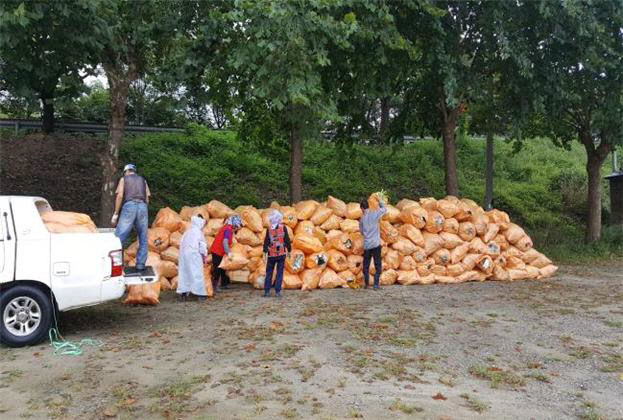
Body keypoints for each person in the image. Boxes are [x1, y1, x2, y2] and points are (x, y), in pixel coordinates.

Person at [112, 163, 151, 273]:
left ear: (126, 171)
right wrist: (143, 210)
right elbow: (147, 197)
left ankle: (117, 264)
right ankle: (140, 265)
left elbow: (119, 195)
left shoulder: (124, 179)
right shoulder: (143, 180)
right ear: (134, 171)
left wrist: (115, 213)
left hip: (130, 205)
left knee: (119, 237)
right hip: (143, 206)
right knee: (143, 237)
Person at [177, 215, 208, 301]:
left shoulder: (187, 232)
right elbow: (202, 246)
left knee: (184, 273)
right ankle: (200, 294)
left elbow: (181, 243)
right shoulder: (198, 232)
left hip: (183, 255)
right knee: (197, 273)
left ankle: (183, 293)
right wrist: (204, 257)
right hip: (194, 255)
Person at [359, 196, 387, 289]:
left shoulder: (362, 219)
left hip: (367, 245)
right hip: (375, 244)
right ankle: (375, 284)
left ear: (362, 208)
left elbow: (362, 232)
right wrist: (380, 201)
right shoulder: (375, 213)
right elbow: (384, 209)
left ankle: (366, 284)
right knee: (377, 264)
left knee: (366, 265)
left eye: (361, 209)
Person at [209, 214, 243, 291]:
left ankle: (224, 284)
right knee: (217, 268)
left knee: (223, 268)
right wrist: (229, 253)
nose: (237, 228)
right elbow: (225, 242)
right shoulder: (228, 229)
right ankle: (214, 286)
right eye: (237, 226)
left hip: (221, 251)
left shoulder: (228, 228)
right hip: (217, 251)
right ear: (235, 224)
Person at [262, 210, 292, 298]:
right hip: (281, 254)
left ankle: (267, 291)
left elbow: (266, 241)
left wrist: (265, 252)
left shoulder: (269, 229)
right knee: (279, 273)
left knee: (269, 272)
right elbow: (287, 240)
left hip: (271, 254)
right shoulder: (283, 228)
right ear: (279, 218)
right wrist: (289, 250)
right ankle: (277, 291)